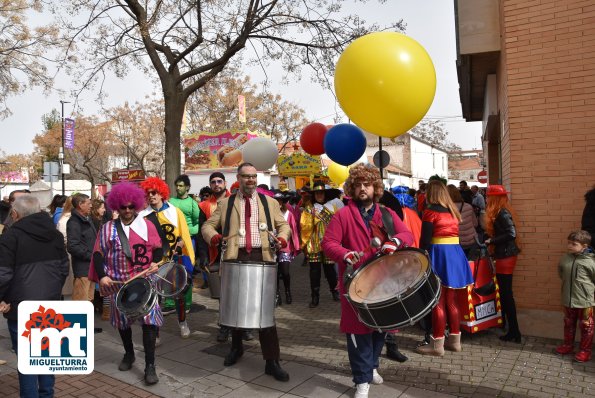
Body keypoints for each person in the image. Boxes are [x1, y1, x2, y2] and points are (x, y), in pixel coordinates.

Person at [321, 164, 414, 398]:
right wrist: (344, 254)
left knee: (380, 328)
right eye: (358, 185)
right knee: (358, 332)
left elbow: (406, 235)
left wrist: (395, 242)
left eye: (367, 184)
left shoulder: (386, 213)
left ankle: (371, 367)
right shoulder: (342, 214)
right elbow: (329, 243)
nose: (363, 188)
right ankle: (361, 379)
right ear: (351, 188)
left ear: (375, 188)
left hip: (384, 281)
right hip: (356, 282)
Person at [201, 162, 291, 381]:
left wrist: (281, 238)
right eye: (246, 177)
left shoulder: (269, 202)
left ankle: (272, 361)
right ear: (238, 178)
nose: (250, 180)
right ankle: (237, 348)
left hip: (263, 257)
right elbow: (207, 226)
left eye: (253, 177)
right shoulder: (225, 203)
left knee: (265, 313)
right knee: (236, 308)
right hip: (236, 257)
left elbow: (284, 226)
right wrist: (214, 238)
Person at [90, 182, 163, 385]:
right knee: (122, 324)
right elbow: (97, 253)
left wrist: (156, 261)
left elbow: (159, 248)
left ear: (137, 205)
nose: (128, 210)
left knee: (149, 324)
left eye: (132, 206)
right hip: (118, 284)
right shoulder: (106, 229)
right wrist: (102, 275)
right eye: (124, 207)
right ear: (117, 207)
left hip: (145, 283)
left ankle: (150, 365)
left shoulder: (147, 225)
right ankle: (129, 353)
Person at [0, 195, 69, 397]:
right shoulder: (54, 235)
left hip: (20, 307)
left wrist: (2, 298)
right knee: (47, 355)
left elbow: (3, 273)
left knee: (27, 360)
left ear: (15, 214)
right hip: (50, 304)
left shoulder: (10, 236)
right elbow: (64, 268)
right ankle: (47, 394)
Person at [416, 180, 474, 357]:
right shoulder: (453, 211)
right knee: (452, 300)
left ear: (431, 193)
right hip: (455, 255)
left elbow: (425, 240)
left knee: (437, 301)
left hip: (439, 255)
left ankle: (437, 344)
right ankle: (455, 342)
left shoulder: (430, 212)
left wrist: (420, 257)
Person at [138, 177, 195, 339]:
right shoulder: (142, 215)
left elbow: (184, 235)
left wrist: (180, 245)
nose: (151, 196)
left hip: (173, 260)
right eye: (148, 193)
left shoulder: (174, 211)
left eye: (154, 192)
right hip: (152, 263)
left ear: (161, 193)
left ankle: (182, 322)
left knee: (178, 294)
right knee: (154, 296)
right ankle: (155, 332)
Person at [196, 172, 236, 342]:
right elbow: (201, 232)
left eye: (220, 181)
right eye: (213, 182)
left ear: (225, 183)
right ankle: (225, 326)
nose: (217, 184)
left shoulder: (236, 200)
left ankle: (243, 327)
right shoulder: (204, 206)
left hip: (235, 251)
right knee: (221, 294)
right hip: (215, 254)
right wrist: (203, 255)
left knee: (238, 291)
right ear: (210, 185)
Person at [484, 185, 522, 343]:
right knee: (505, 293)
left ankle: (514, 332)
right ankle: (508, 326)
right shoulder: (501, 211)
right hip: (504, 255)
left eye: (489, 196)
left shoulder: (502, 212)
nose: (486, 199)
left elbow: (511, 234)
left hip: (506, 257)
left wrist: (491, 240)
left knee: (506, 294)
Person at [300, 181, 343, 308]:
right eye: (317, 193)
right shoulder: (309, 208)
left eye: (321, 192)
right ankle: (315, 297)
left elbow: (338, 224)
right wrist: (313, 219)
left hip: (329, 243)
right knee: (315, 271)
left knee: (330, 270)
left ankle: (335, 292)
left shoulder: (333, 206)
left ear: (325, 194)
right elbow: (304, 227)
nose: (319, 195)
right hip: (314, 243)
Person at [555, 230, 595, 362]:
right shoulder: (565, 258)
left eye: (574, 244)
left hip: (585, 301)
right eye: (569, 243)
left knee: (586, 325)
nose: (569, 246)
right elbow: (561, 273)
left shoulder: (591, 261)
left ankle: (585, 351)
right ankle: (568, 345)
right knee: (568, 322)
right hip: (568, 298)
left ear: (584, 246)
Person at [168, 174, 201, 315]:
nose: (178, 188)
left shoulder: (193, 203)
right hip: (172, 241)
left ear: (187, 187)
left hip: (188, 242)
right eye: (177, 185)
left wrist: (187, 233)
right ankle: (169, 303)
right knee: (170, 271)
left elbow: (197, 223)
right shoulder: (170, 201)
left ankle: (187, 303)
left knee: (186, 272)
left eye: (181, 185)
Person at [67, 193, 97, 303]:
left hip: (89, 269)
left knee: (88, 301)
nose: (91, 206)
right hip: (83, 270)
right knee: (81, 304)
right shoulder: (74, 222)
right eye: (88, 203)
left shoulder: (86, 219)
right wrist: (91, 256)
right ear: (80, 204)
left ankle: (89, 321)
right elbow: (73, 246)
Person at [273, 191, 300, 306]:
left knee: (285, 272)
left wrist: (295, 246)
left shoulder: (288, 214)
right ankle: (277, 295)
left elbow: (293, 230)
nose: (278, 203)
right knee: (274, 273)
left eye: (280, 201)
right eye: (276, 201)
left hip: (285, 247)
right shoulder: (268, 214)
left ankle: (288, 292)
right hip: (272, 247)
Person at [447, 184, 479, 260]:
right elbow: (475, 224)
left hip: (457, 242)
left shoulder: (447, 209)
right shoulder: (468, 206)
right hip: (471, 240)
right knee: (469, 262)